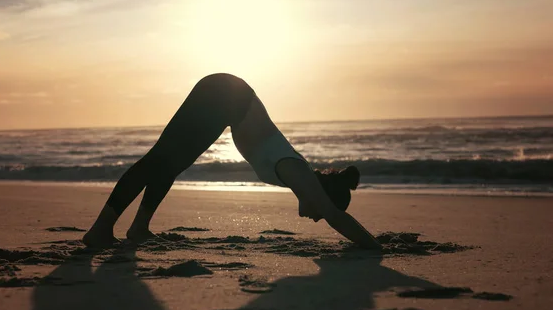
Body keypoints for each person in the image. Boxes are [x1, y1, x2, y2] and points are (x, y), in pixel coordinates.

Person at [82, 73, 381, 249]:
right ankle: (100, 230)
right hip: (224, 96)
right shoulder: (296, 170)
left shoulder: (294, 174)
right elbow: (334, 215)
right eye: (320, 209)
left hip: (227, 101)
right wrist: (375, 246)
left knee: (170, 165)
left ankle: (138, 229)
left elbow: (328, 211)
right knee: (158, 161)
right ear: (321, 194)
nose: (316, 219)